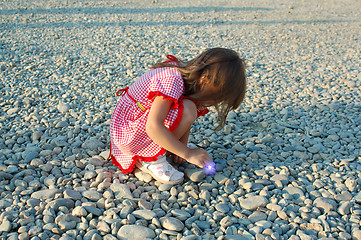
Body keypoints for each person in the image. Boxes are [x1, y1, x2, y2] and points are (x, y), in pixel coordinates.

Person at [109, 48, 247, 184]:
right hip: (127, 135)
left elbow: (183, 111)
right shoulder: (172, 80)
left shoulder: (187, 76)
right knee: (188, 108)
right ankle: (149, 159)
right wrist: (187, 153)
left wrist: (181, 147)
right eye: (215, 99)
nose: (213, 103)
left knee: (188, 106)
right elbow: (153, 126)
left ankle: (163, 148)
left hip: (134, 126)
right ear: (205, 81)